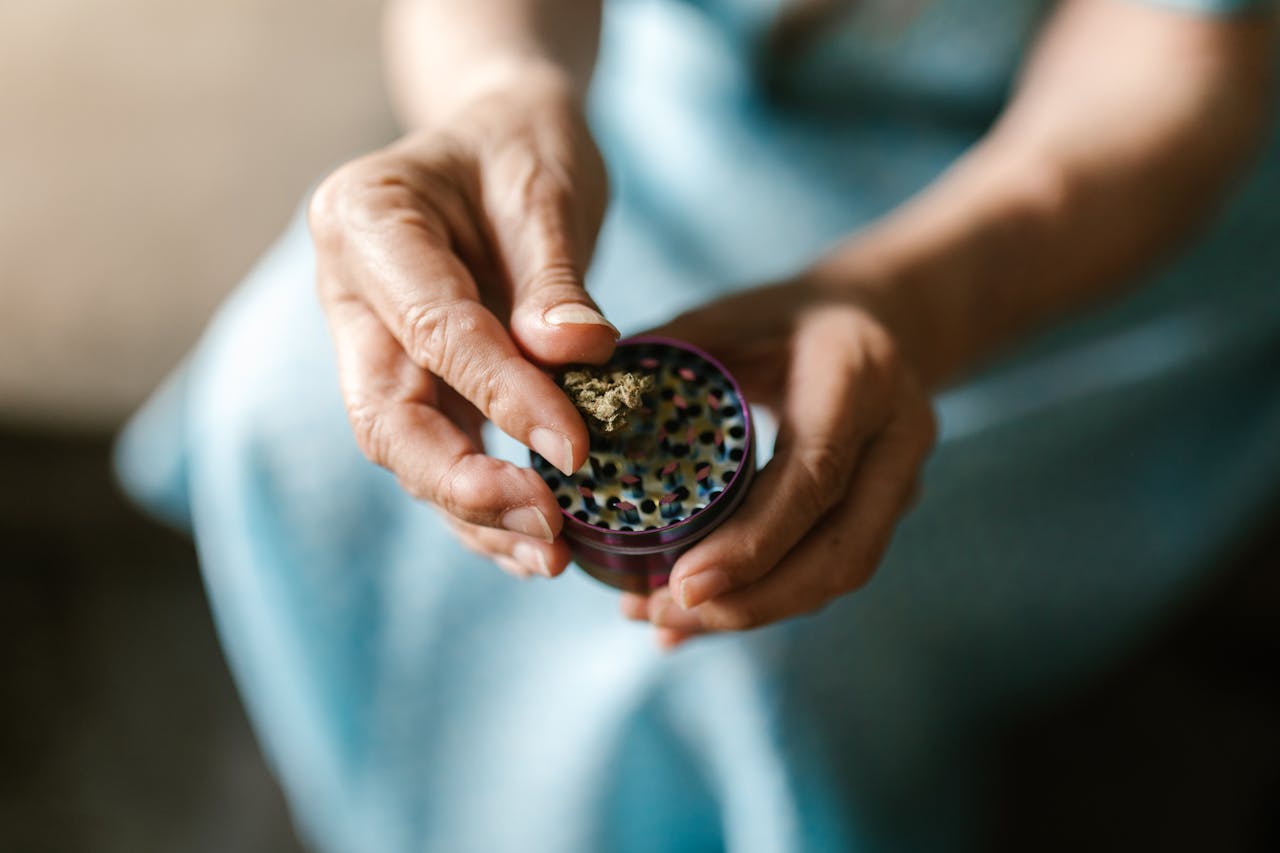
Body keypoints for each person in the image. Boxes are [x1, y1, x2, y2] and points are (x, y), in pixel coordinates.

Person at [118, 0, 1280, 850]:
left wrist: (910, 303)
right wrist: (496, 94)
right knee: (283, 408)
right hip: (644, 111)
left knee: (747, 638)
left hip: (1045, 203)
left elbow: (1169, 56)